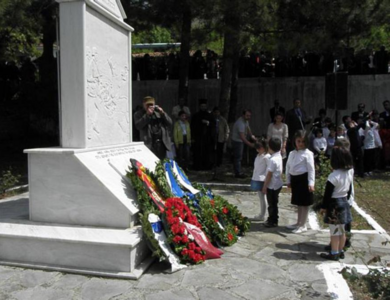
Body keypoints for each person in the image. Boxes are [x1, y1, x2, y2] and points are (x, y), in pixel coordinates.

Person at [319, 147, 354, 260]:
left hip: (334, 204)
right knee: (342, 230)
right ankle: (341, 250)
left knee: (334, 231)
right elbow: (348, 190)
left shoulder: (333, 176)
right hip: (344, 202)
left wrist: (323, 207)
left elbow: (327, 194)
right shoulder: (348, 173)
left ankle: (334, 253)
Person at [285, 130, 315, 233]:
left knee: (304, 203)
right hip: (295, 180)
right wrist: (288, 179)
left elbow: (311, 169)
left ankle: (303, 225)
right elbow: (288, 167)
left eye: (303, 141)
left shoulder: (308, 154)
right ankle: (298, 222)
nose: (301, 144)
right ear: (295, 141)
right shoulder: (292, 153)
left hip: (304, 180)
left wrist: (311, 183)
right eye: (299, 141)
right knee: (298, 202)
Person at [262, 137, 283, 228]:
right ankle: (273, 219)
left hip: (272, 185)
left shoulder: (272, 160)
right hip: (278, 184)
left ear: (270, 147)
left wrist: (265, 186)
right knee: (274, 203)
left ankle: (272, 220)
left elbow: (269, 175)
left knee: (272, 204)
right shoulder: (279, 156)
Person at [231, 109, 257, 178]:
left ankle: (239, 171)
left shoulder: (245, 121)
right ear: (243, 115)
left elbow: (248, 129)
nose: (248, 117)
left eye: (249, 116)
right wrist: (250, 144)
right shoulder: (240, 123)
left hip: (241, 141)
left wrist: (252, 137)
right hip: (237, 141)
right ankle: (238, 173)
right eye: (247, 115)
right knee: (238, 157)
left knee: (240, 157)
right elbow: (242, 137)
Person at [191, 99, 215, 170]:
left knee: (207, 152)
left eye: (204, 106)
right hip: (198, 137)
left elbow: (213, 124)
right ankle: (198, 166)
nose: (203, 107)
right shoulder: (196, 115)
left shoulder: (210, 115)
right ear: (199, 106)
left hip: (207, 138)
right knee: (198, 152)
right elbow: (193, 126)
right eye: (202, 106)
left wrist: (208, 123)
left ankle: (207, 166)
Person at [250, 139, 270, 221]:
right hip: (257, 178)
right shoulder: (258, 156)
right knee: (260, 197)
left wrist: (265, 179)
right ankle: (261, 213)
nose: (258, 150)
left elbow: (268, 169)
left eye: (259, 148)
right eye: (257, 148)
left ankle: (262, 214)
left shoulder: (266, 157)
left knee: (263, 197)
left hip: (262, 179)